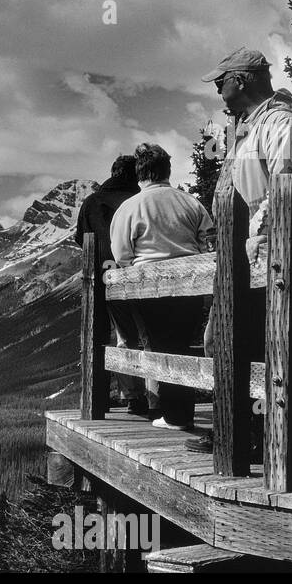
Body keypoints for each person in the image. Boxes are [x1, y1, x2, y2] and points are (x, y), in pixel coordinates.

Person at [187, 47, 292, 455]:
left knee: (255, 343)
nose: (219, 89)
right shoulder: (247, 125)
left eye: (223, 81)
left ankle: (251, 434)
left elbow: (286, 184)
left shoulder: (281, 121)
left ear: (245, 79)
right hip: (246, 251)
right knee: (225, 339)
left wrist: (258, 236)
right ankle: (236, 426)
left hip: (267, 250)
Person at [110, 143, 215, 431]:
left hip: (151, 288)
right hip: (192, 285)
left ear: (140, 173)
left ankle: (174, 415)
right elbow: (208, 239)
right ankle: (182, 413)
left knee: (159, 348)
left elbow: (122, 255)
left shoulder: (130, 207)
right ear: (167, 170)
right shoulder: (190, 202)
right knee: (181, 345)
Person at [75, 155, 149, 415]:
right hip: (140, 277)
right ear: (135, 175)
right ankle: (154, 399)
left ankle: (119, 398)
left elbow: (82, 241)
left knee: (106, 338)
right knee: (146, 336)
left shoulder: (92, 202)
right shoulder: (140, 200)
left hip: (100, 280)